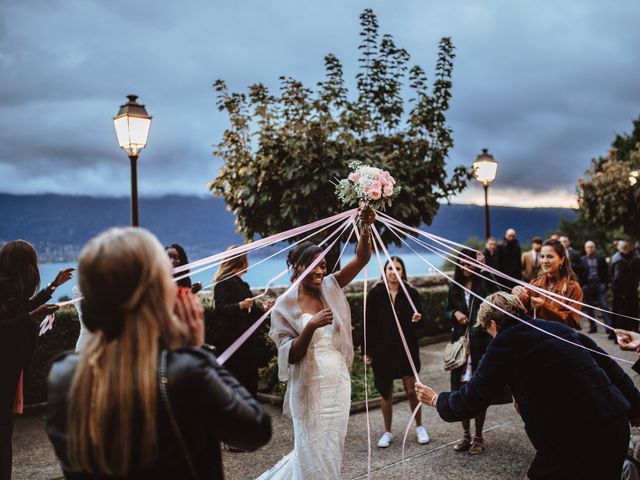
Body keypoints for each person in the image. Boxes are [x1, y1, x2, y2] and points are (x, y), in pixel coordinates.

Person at [46, 228, 271, 479]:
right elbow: (256, 430)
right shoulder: (186, 372)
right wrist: (195, 350)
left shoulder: (63, 375)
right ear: (157, 293)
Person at [416, 292, 640, 480]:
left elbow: (471, 399)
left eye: (487, 330)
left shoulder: (502, 345)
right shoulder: (557, 328)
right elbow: (611, 369)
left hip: (570, 438)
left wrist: (437, 399)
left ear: (492, 324)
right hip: (614, 426)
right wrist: (636, 410)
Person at [257, 207, 374, 480]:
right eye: (313, 265)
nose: (320, 270)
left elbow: (362, 257)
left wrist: (366, 227)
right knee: (311, 450)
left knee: (332, 447)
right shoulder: (283, 305)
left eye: (323, 265)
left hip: (338, 383)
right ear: (297, 267)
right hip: (310, 390)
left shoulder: (331, 286)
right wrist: (310, 326)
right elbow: (289, 355)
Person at [0, 240, 72, 480]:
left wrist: (53, 286)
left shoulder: (10, 288)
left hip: (10, 366)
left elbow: (23, 309)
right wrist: (33, 315)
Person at [444, 248, 506, 455]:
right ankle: (465, 435)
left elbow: (499, 295)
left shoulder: (483, 282)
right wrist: (455, 313)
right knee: (461, 391)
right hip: (462, 346)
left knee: (478, 390)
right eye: (463, 262)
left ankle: (478, 436)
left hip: (481, 346)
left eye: (470, 263)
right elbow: (446, 309)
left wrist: (485, 269)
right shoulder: (454, 286)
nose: (466, 266)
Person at [364, 256, 428, 448]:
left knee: (411, 390)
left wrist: (418, 320)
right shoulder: (375, 293)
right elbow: (369, 324)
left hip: (406, 348)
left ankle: (419, 427)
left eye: (397, 269)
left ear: (402, 272)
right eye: (390, 268)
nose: (393, 272)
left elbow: (423, 324)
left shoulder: (411, 292)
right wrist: (368, 350)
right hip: (383, 350)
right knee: (386, 392)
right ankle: (387, 432)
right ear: (385, 271)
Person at [213, 247, 273, 398]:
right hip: (231, 341)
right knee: (236, 381)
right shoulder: (225, 282)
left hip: (246, 342)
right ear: (241, 260)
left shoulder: (242, 285)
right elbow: (221, 308)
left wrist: (266, 310)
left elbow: (252, 312)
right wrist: (241, 305)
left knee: (249, 380)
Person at [515, 239, 583, 329]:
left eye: (550, 256)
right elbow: (522, 311)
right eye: (542, 256)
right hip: (537, 338)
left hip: (560, 339)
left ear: (561, 260)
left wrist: (545, 307)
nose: (544, 261)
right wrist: (517, 294)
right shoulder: (535, 283)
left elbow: (572, 321)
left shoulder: (573, 287)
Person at [580, 240, 612, 335]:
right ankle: (593, 327)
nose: (590, 249)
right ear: (585, 249)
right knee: (589, 307)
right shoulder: (582, 260)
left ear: (595, 248)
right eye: (588, 247)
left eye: (591, 247)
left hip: (600, 284)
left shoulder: (600, 259)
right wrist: (583, 285)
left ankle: (609, 328)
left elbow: (607, 273)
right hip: (587, 285)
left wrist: (606, 284)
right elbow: (580, 274)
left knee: (604, 306)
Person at [610, 241, 640, 332]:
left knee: (619, 311)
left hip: (623, 290)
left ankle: (616, 332)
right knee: (622, 312)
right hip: (623, 290)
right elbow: (618, 278)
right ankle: (621, 333)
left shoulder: (618, 257)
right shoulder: (621, 260)